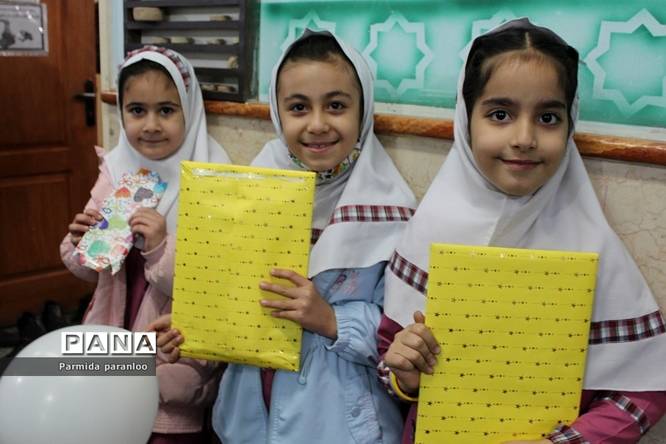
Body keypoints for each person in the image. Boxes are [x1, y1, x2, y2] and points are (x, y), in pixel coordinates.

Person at [379, 18, 666, 444]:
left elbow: (647, 389)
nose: (525, 138)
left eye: (548, 117)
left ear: (570, 124)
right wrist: (405, 376)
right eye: (500, 114)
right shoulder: (430, 231)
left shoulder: (592, 246)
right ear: (466, 118)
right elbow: (388, 352)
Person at [151, 30, 417, 443]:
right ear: (277, 113)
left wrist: (331, 319)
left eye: (336, 105)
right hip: (247, 415)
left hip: (342, 425)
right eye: (298, 107)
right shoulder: (250, 191)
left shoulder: (393, 211)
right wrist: (197, 324)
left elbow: (401, 338)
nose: (317, 124)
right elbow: (233, 293)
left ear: (363, 110)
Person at [61, 46, 229, 444]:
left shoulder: (212, 180)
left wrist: (158, 248)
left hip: (171, 358)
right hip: (113, 334)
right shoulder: (117, 169)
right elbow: (90, 271)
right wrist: (79, 244)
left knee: (162, 431)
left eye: (166, 110)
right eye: (137, 110)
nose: (151, 125)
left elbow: (210, 288)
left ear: (190, 110)